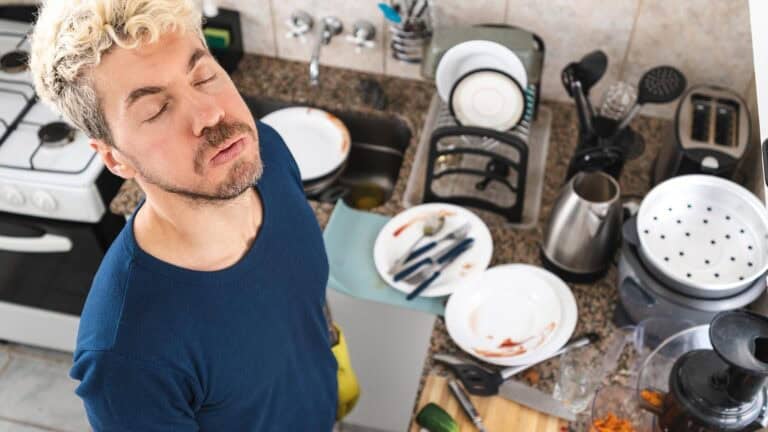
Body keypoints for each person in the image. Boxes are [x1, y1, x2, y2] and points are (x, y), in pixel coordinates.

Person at [29, 0, 338, 430]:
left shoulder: (261, 153)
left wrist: (328, 348)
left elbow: (295, 300)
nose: (210, 114)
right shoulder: (126, 355)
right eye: (156, 110)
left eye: (205, 76)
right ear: (115, 158)